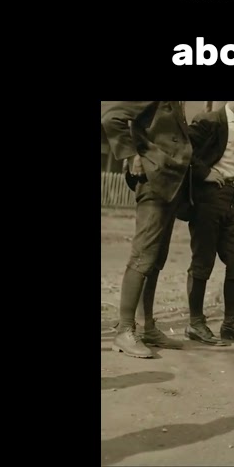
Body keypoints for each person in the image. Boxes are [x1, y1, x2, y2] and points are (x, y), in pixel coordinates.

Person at [100, 101, 192, 358]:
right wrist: (132, 155)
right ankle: (124, 330)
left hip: (170, 183)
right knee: (143, 255)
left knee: (156, 258)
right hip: (154, 180)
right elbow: (111, 118)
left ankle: (147, 326)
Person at [181, 101, 234, 347]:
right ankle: (195, 323)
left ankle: (230, 325)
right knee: (203, 261)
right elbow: (184, 150)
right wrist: (204, 173)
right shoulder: (209, 120)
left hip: (230, 199)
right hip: (207, 198)